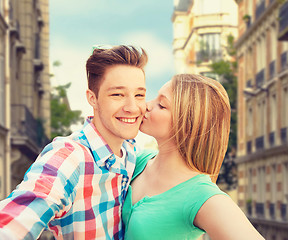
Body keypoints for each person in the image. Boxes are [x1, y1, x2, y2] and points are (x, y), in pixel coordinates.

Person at [0, 45, 148, 240]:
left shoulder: (130, 153)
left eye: (139, 95)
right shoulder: (69, 155)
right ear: (92, 98)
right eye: (117, 94)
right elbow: (21, 215)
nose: (132, 107)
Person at [122, 74, 265, 240]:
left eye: (161, 105)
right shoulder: (138, 161)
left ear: (188, 125)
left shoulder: (201, 196)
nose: (146, 106)